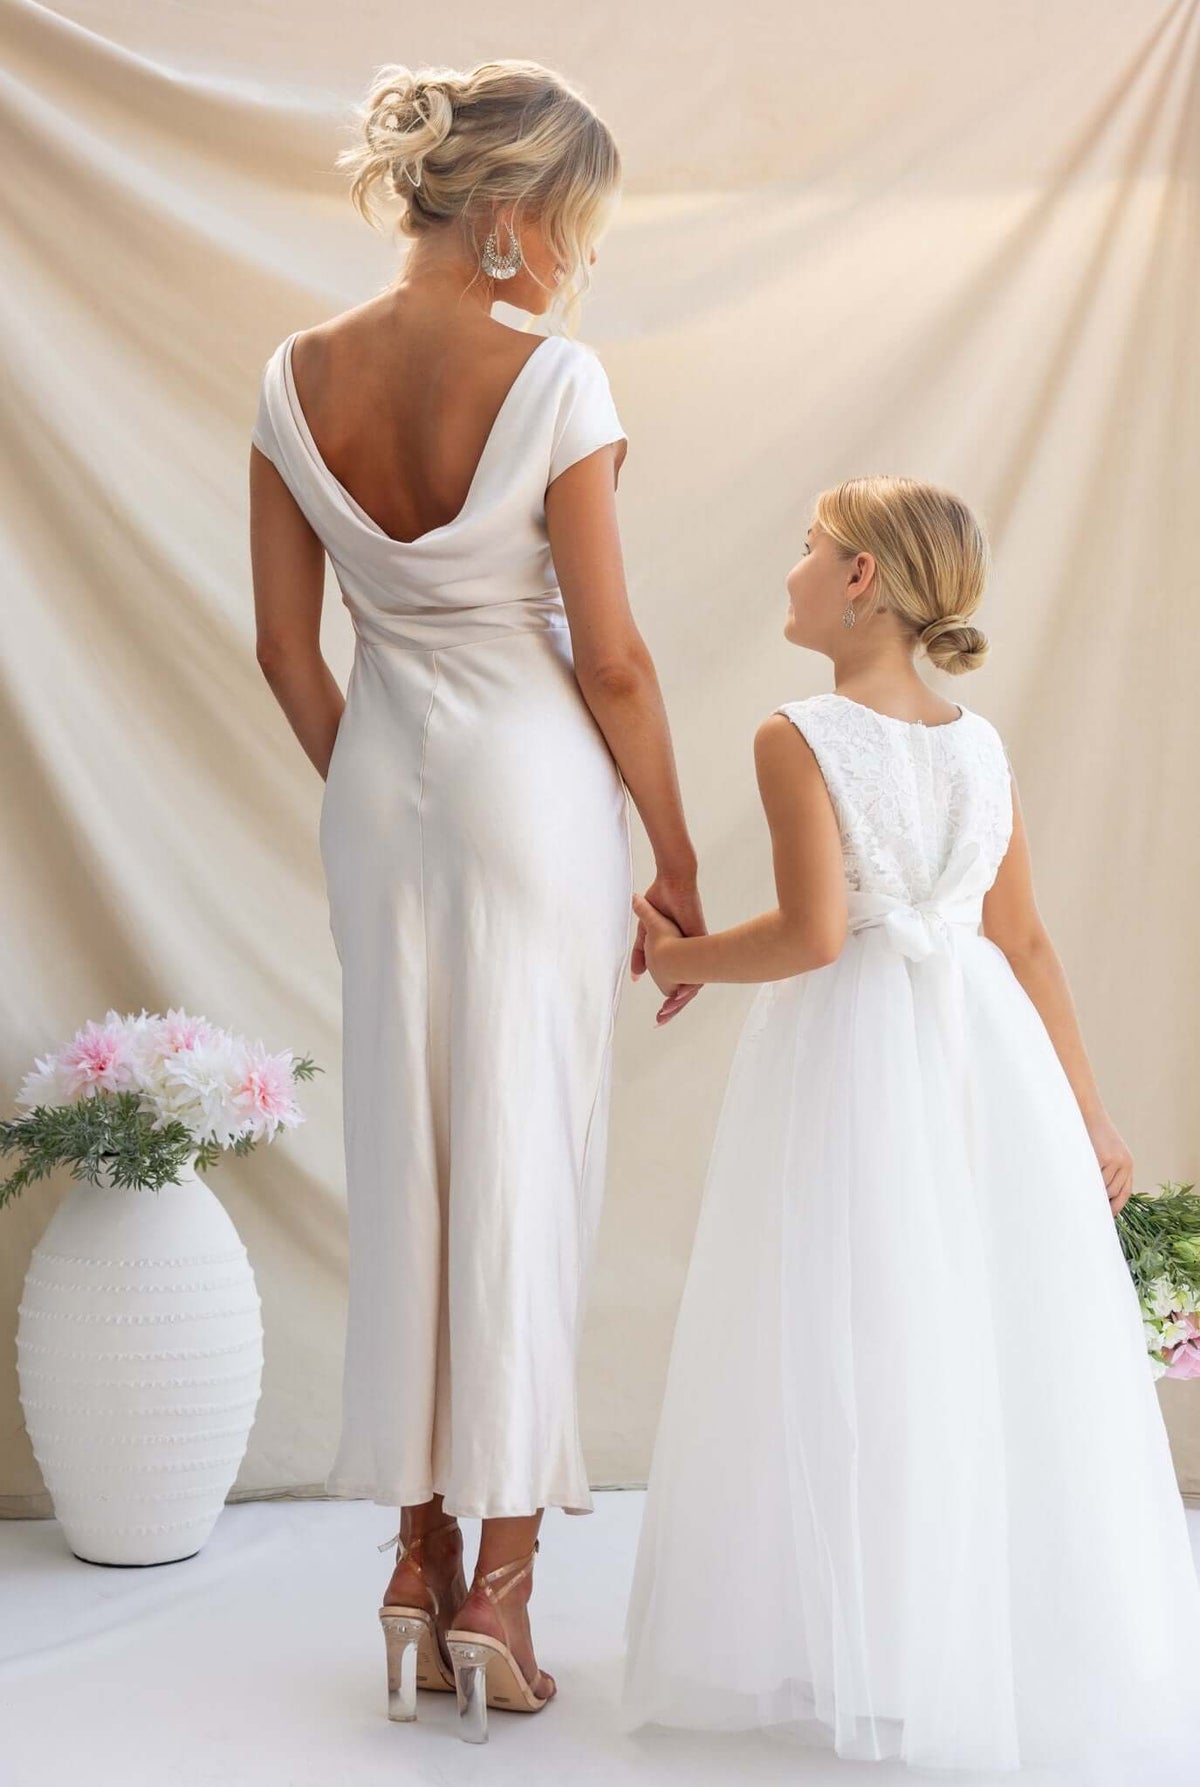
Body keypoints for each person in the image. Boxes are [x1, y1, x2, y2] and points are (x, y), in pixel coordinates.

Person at [248, 58, 704, 1742]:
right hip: (532, 797)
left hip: (382, 793)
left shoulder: (296, 377)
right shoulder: (556, 376)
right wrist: (678, 855)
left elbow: (291, 655)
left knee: (411, 1157)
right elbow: (621, 661)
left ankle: (410, 1571)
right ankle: (498, 1595)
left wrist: (380, 794)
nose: (578, 257)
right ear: (510, 218)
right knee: (524, 1158)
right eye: (574, 222)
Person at [620, 476, 1200, 1773]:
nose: (791, 570)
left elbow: (817, 936)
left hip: (861, 1057)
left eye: (808, 548)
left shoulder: (799, 733)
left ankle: (859, 1642)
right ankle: (963, 1634)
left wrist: (675, 962)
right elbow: (1027, 941)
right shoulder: (976, 743)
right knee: (971, 1323)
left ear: (864, 579)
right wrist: (1089, 1115)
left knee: (848, 1326)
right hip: (988, 1056)